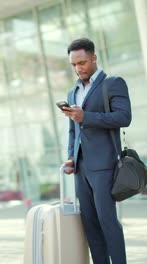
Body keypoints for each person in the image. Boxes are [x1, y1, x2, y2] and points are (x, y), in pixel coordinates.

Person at [60, 38, 131, 264]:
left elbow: (124, 117)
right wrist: (72, 156)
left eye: (82, 62)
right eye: (74, 65)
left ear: (94, 57)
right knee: (90, 223)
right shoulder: (73, 93)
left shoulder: (113, 83)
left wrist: (86, 117)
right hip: (82, 169)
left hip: (105, 166)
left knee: (107, 221)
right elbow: (74, 130)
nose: (78, 68)